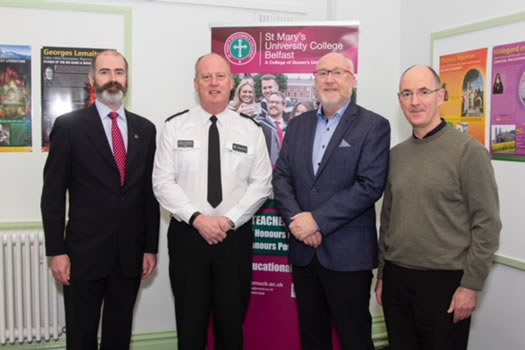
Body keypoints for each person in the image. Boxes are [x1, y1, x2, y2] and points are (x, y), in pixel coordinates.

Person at [375, 65, 501, 350]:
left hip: (445, 283)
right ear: (399, 100)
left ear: (441, 95)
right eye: (407, 93)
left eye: (423, 92)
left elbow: (488, 225)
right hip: (396, 279)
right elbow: (389, 219)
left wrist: (471, 285)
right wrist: (383, 274)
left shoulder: (469, 152)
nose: (415, 101)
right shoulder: (396, 156)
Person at [41, 50, 160, 350]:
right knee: (81, 337)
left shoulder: (145, 130)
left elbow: (149, 193)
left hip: (129, 255)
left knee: (119, 337)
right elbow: (53, 194)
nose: (113, 79)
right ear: (92, 79)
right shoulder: (68, 127)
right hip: (82, 256)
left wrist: (150, 247)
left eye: (119, 72)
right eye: (105, 72)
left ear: (127, 79)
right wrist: (56, 250)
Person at [152, 53, 272, 350]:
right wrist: (198, 219)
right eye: (206, 77)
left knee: (230, 326)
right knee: (189, 327)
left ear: (231, 83)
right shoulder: (175, 126)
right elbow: (162, 183)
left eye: (220, 76)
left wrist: (228, 220)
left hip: (234, 238)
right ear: (196, 84)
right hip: (188, 238)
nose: (214, 83)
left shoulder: (251, 129)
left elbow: (262, 184)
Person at [272, 52, 391, 350]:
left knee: (354, 337)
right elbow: (281, 178)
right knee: (312, 336)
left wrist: (317, 220)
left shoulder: (373, 125)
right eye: (322, 73)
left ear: (353, 79)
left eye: (338, 72)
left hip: (348, 255)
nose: (329, 79)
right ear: (315, 80)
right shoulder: (297, 126)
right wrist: (298, 221)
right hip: (303, 253)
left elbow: (369, 185)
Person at [257, 91, 287, 165]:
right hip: (264, 169)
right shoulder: (259, 124)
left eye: (277, 102)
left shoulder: (289, 128)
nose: (273, 105)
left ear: (284, 106)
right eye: (271, 102)